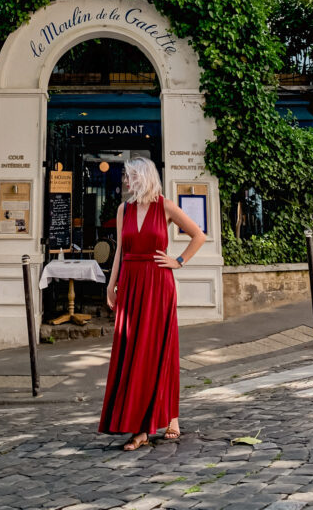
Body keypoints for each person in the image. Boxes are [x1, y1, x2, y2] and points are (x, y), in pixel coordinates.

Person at [98, 156, 206, 451]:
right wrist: (111, 284)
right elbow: (121, 249)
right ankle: (140, 423)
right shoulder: (124, 209)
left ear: (143, 177)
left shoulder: (166, 206)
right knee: (133, 350)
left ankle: (165, 417)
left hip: (159, 286)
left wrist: (178, 261)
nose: (125, 181)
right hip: (132, 284)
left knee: (160, 349)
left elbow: (199, 235)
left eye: (130, 175)